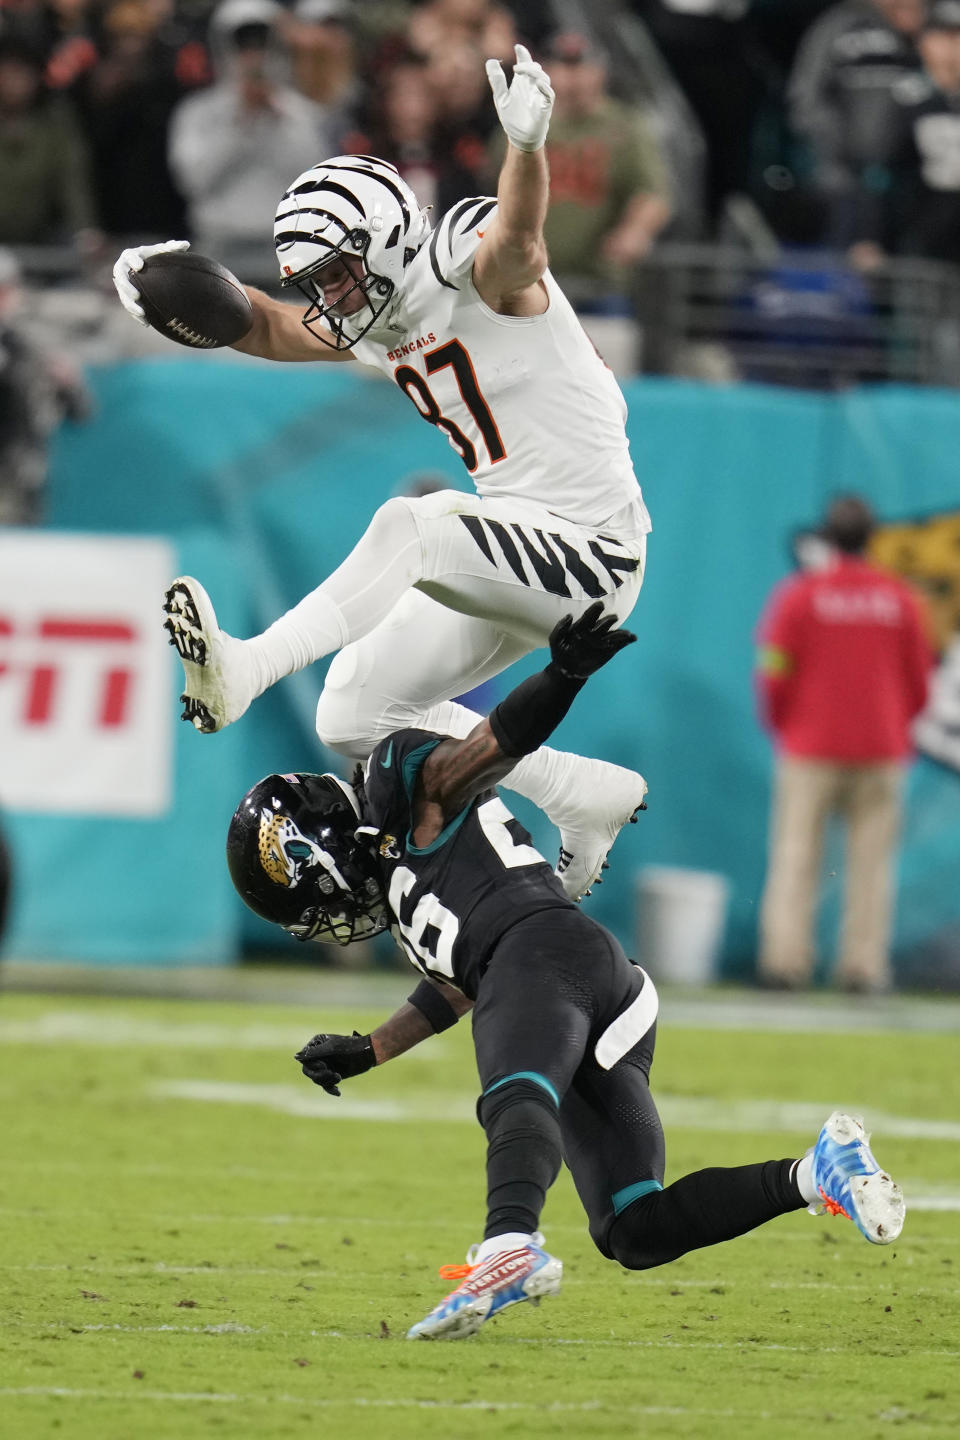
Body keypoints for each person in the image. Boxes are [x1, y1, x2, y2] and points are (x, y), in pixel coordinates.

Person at [225, 603, 906, 1341]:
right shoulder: (407, 872)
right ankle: (818, 1170)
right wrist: (372, 1048)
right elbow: (461, 979)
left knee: (516, 1091)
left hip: (542, 954)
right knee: (634, 1228)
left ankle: (508, 1245)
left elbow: (491, 746)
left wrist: (562, 675)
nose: (323, 916)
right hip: (587, 979)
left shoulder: (407, 788)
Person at [112, 43, 652, 900]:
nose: (331, 295)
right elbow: (274, 328)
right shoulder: (377, 308)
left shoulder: (459, 262)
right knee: (352, 715)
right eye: (316, 280)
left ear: (388, 238)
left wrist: (526, 146)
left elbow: (518, 244)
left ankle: (247, 668)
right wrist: (162, 280)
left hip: (595, 550)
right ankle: (580, 791)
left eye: (338, 271)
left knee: (419, 523)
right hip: (521, 550)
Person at [755, 494, 935, 993]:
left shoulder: (799, 595)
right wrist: (896, 725)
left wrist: (784, 726)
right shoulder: (899, 599)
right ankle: (862, 968)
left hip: (809, 748)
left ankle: (785, 964)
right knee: (872, 867)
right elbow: (920, 680)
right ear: (873, 538)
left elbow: (773, 671)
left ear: (827, 538)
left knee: (795, 858)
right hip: (880, 750)